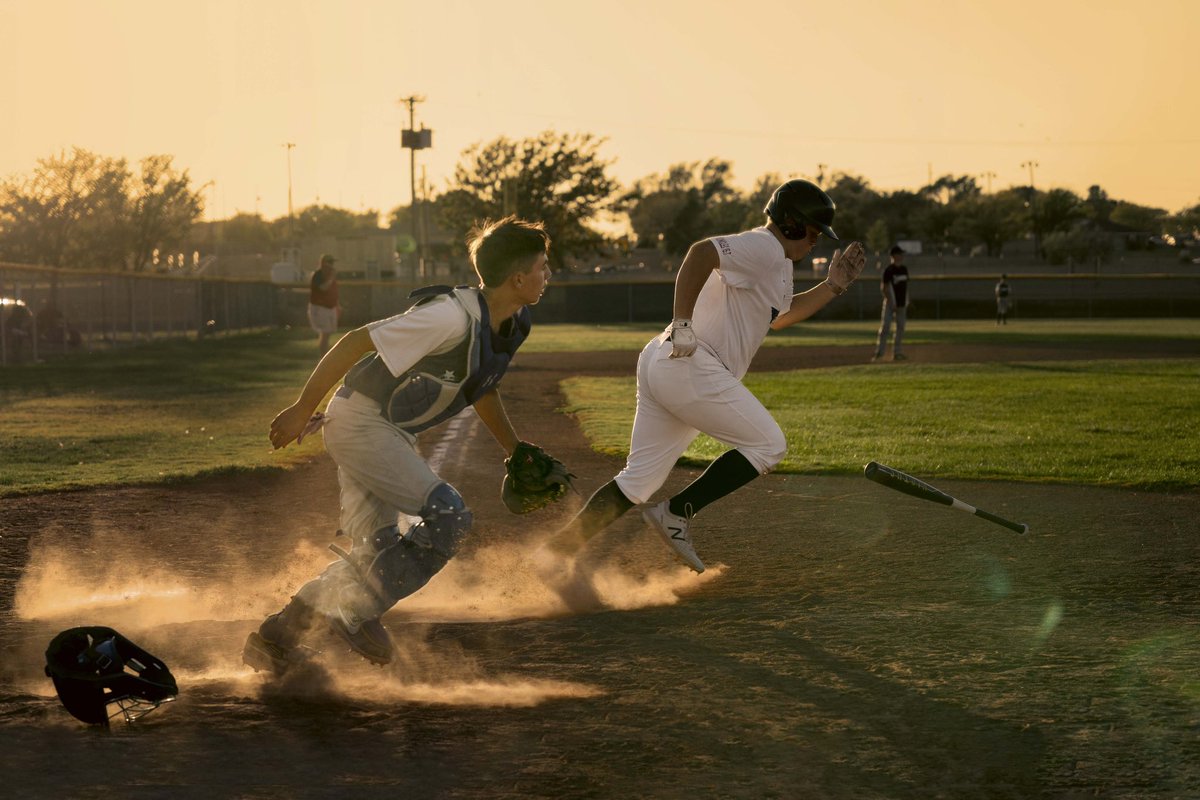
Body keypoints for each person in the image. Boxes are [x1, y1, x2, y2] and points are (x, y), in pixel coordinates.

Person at [244, 217, 568, 674]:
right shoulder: (450, 317)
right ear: (518, 278)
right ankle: (354, 610)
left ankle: (277, 638)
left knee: (375, 549)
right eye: (542, 266)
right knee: (450, 516)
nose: (547, 274)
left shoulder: (515, 322)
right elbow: (357, 341)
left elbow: (482, 386)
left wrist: (512, 449)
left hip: (382, 429)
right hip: (360, 423)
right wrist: (302, 407)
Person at [538, 179, 865, 575]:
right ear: (792, 223)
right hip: (691, 363)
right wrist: (682, 323)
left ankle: (553, 554)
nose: (816, 241)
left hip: (668, 363)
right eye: (814, 231)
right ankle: (677, 513)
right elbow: (700, 253)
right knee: (768, 445)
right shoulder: (764, 246)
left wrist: (832, 287)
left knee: (638, 482)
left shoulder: (777, 263)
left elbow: (779, 318)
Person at [872, 244, 910, 361]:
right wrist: (891, 302)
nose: (902, 256)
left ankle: (897, 353)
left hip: (902, 304)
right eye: (900, 254)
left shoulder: (904, 269)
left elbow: (906, 286)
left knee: (900, 328)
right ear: (894, 255)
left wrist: (908, 300)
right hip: (890, 304)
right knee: (885, 328)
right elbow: (884, 287)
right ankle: (879, 353)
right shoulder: (889, 270)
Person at [307, 253, 340, 354]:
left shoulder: (330, 274)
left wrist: (337, 305)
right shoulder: (318, 274)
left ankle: (325, 355)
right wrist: (331, 277)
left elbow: (333, 291)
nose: (332, 265)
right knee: (325, 333)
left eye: (332, 262)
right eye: (330, 262)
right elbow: (323, 288)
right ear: (323, 263)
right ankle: (324, 357)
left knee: (328, 333)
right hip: (320, 307)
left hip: (330, 307)